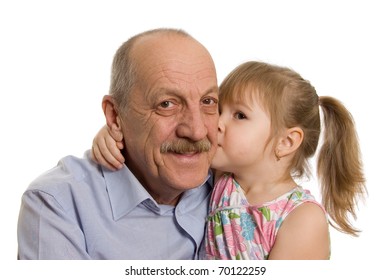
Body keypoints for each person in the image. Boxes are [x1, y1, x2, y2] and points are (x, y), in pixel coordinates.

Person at [93, 61, 366, 259]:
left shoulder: (301, 217)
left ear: (286, 142)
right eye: (219, 109)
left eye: (239, 116)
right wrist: (114, 133)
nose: (217, 124)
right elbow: (164, 148)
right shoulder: (221, 178)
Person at [17, 28, 220, 259]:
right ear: (114, 116)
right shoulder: (58, 203)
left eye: (208, 101)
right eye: (166, 104)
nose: (196, 131)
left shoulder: (233, 178)